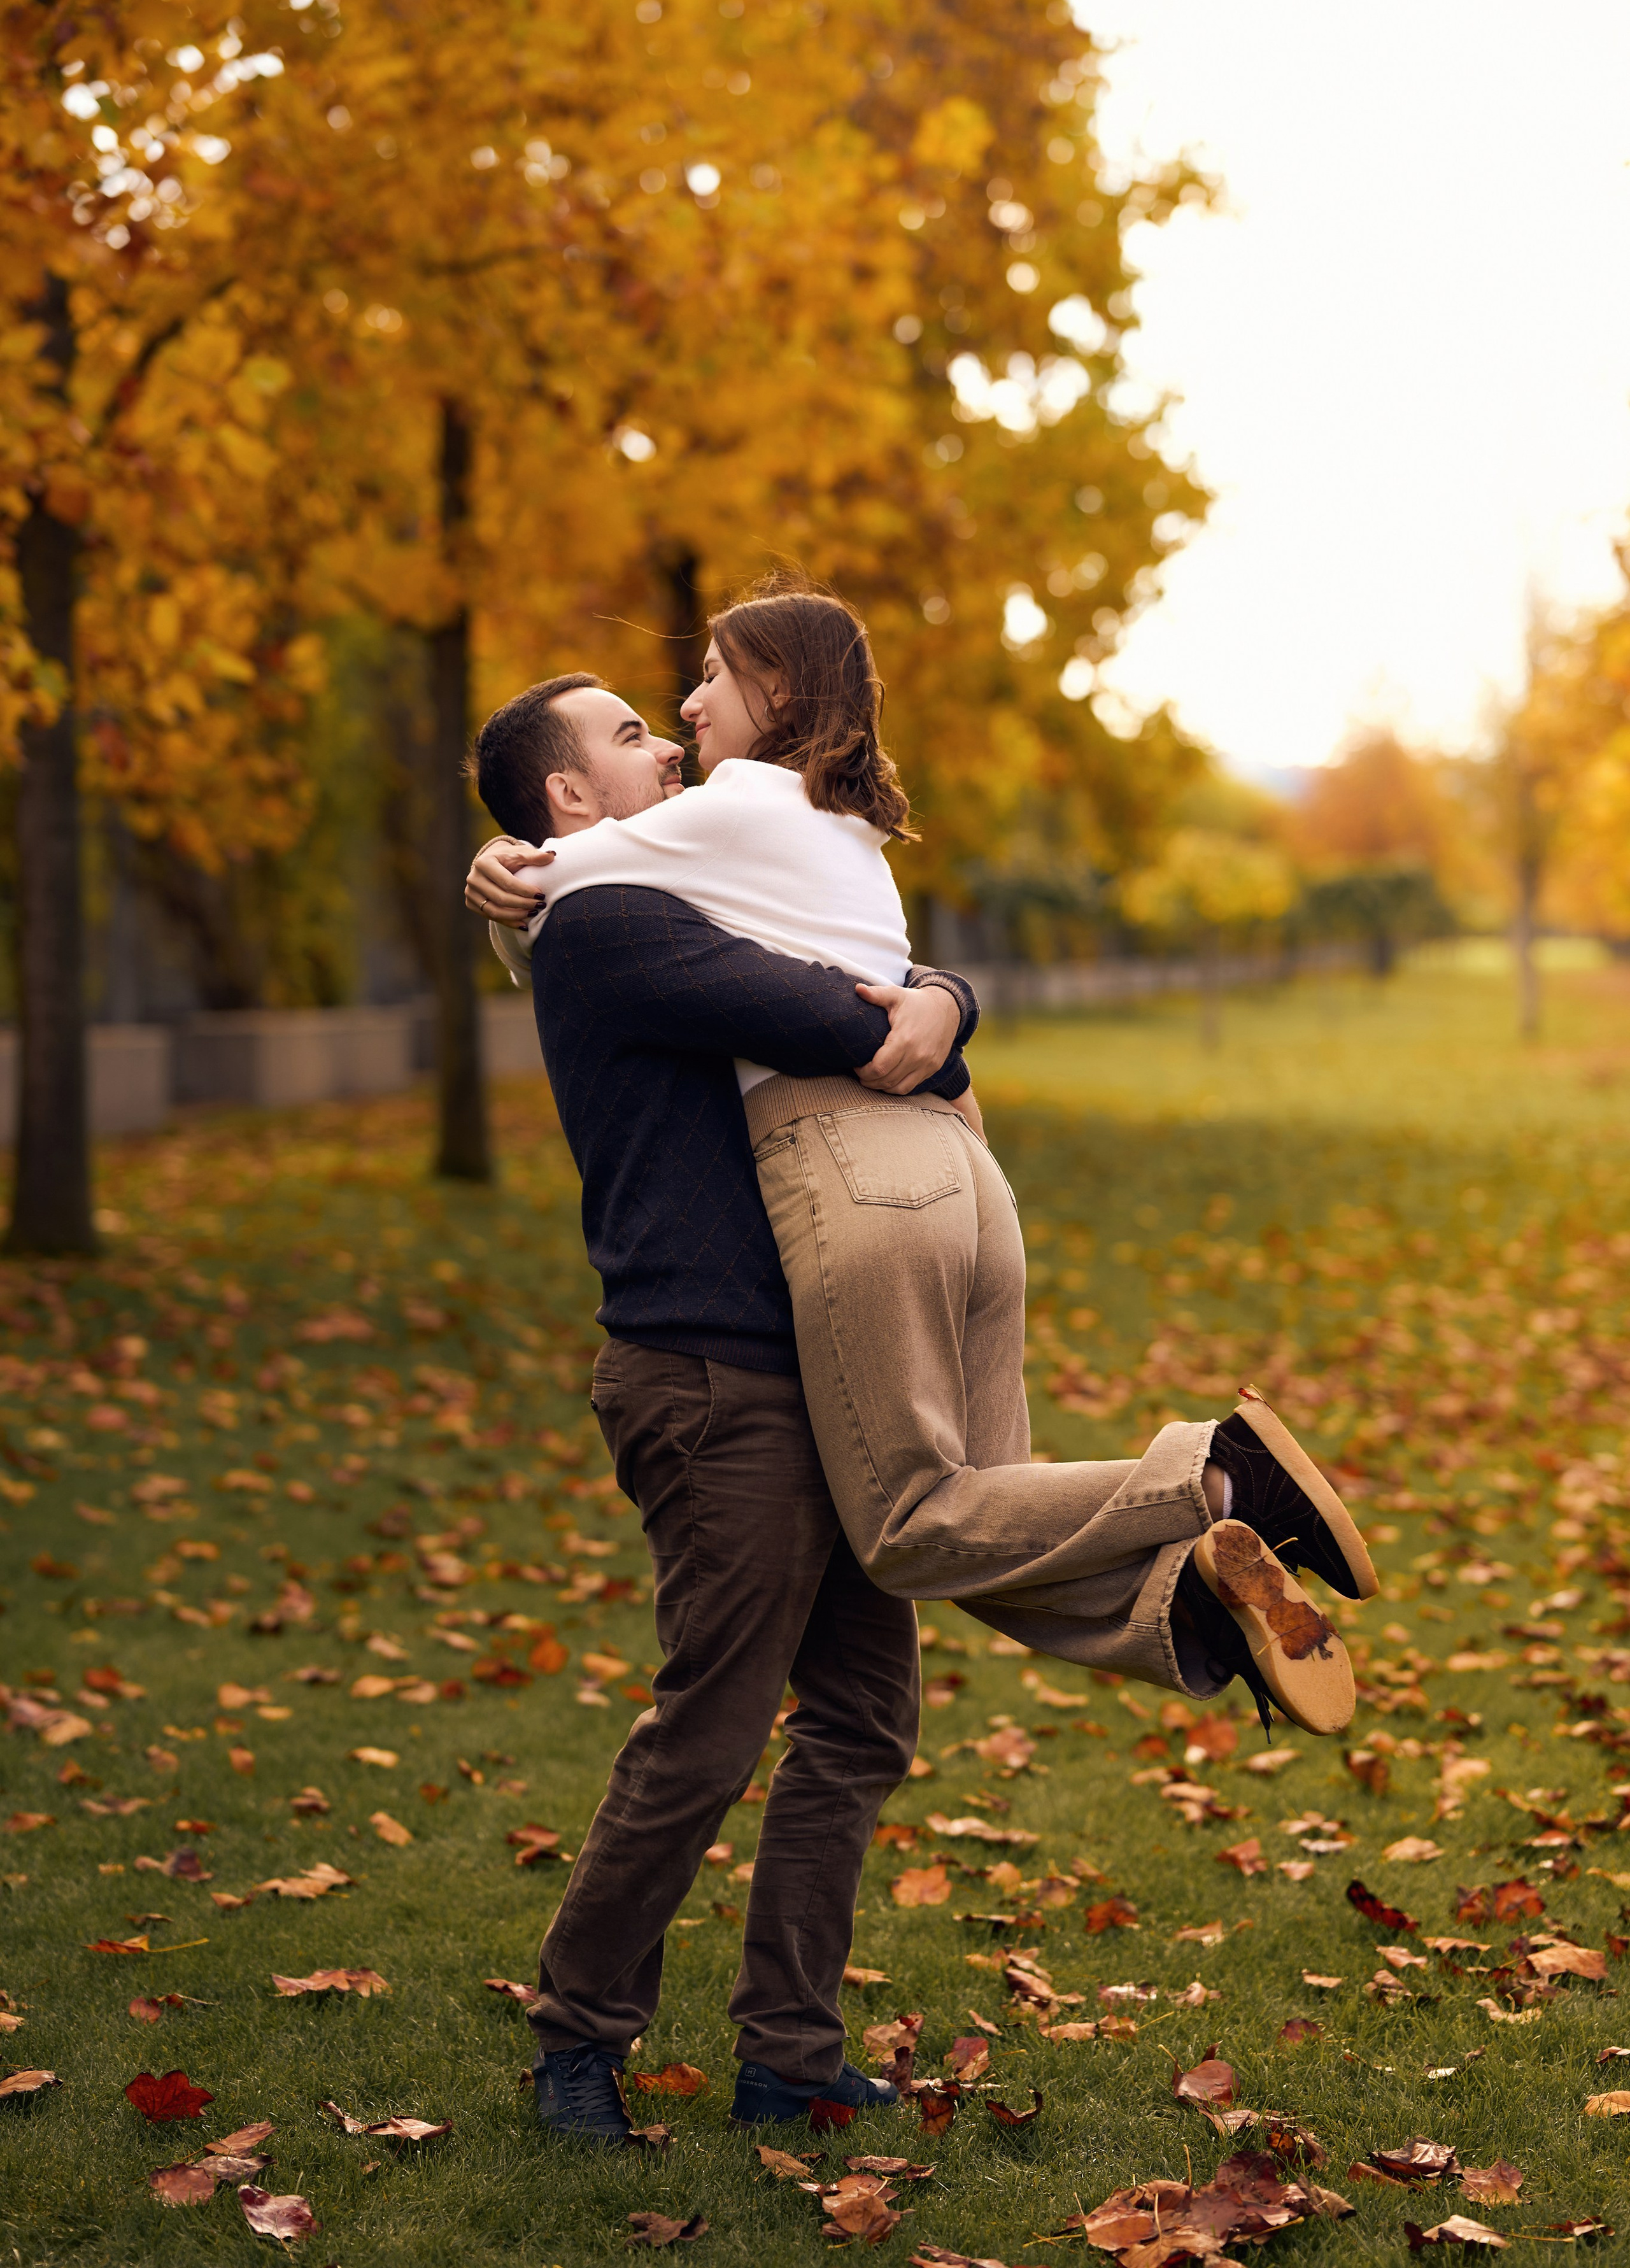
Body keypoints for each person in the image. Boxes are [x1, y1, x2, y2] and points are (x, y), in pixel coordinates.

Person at [467, 583, 1377, 1753]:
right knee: (991, 1514)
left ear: (776, 692)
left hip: (851, 1167)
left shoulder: (724, 811)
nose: (684, 710)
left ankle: (1219, 1474)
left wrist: (501, 872)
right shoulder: (843, 820)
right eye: (646, 719)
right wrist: (951, 1001)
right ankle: (1195, 1602)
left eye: (704, 682)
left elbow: (566, 886)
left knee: (907, 1524)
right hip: (970, 1178)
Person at [463, 665, 981, 2142]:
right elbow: (839, 1013)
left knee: (864, 1716)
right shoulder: (606, 919)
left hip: (811, 1362)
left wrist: (944, 993)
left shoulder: (686, 892)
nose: (666, 737)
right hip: (710, 1374)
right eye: (628, 732)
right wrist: (926, 1005)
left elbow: (894, 997)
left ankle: (789, 2051)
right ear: (569, 798)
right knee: (712, 1723)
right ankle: (575, 2036)